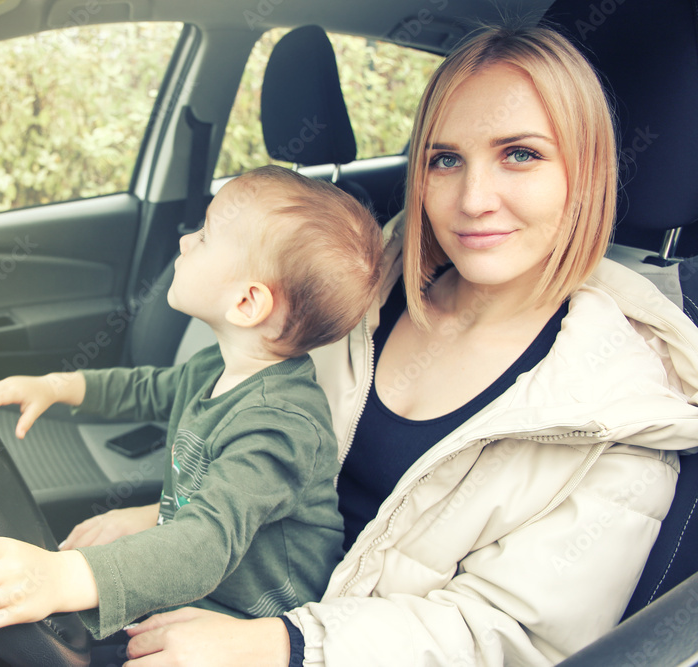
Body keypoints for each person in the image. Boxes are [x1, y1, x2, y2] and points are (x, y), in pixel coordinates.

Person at [113, 24, 698, 667]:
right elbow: (266, 456)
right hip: (230, 603)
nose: (474, 200)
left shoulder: (623, 412)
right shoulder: (361, 291)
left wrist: (281, 645)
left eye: (521, 154)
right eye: (445, 159)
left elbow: (505, 637)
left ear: (587, 172)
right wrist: (166, 520)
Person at [0, 165, 385, 641]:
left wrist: (63, 577)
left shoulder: (279, 427)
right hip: (201, 590)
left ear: (247, 304)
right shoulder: (219, 367)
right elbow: (147, 390)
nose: (186, 241)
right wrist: (57, 386)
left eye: (205, 236)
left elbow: (204, 544)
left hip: (247, 623)